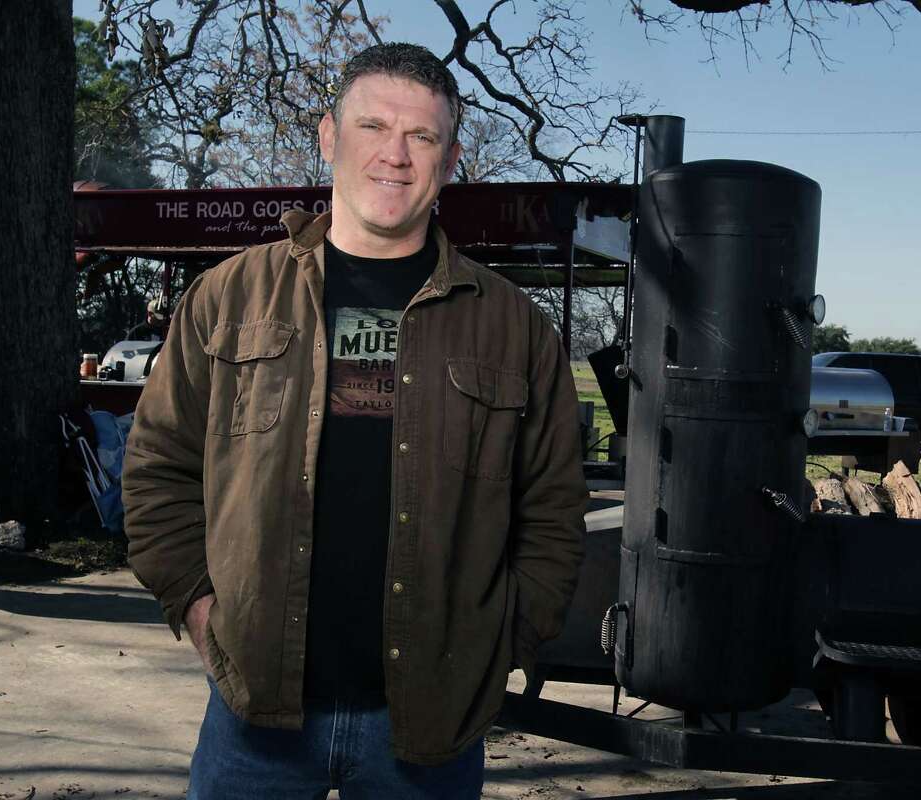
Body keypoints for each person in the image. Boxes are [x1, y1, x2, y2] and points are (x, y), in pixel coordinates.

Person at [121, 42, 587, 799]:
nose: (395, 156)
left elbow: (555, 513)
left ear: (452, 158)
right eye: (373, 127)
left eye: (422, 137)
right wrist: (202, 612)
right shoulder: (227, 298)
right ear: (329, 136)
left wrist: (500, 644)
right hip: (255, 720)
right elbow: (156, 470)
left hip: (431, 729)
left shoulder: (516, 330)